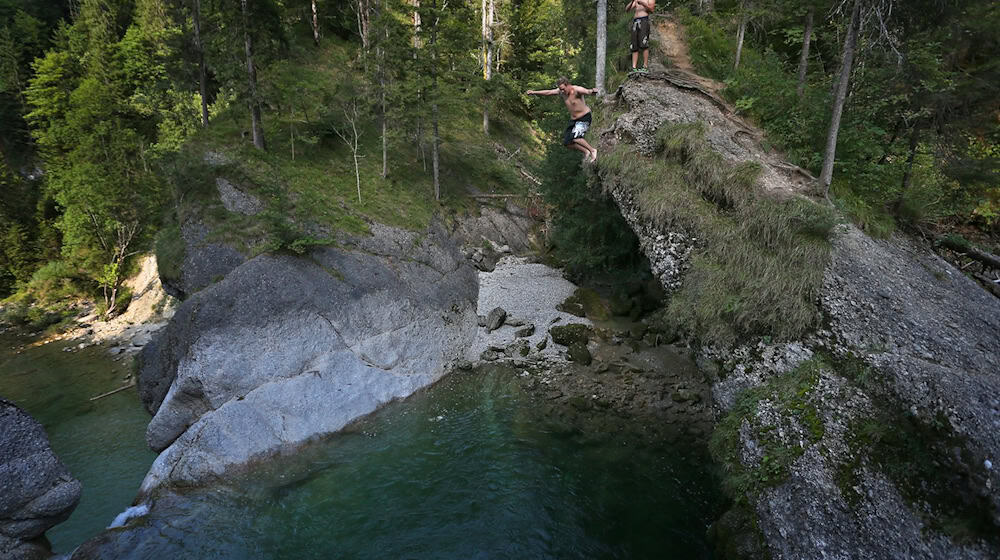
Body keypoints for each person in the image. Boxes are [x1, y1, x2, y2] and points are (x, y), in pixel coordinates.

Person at [525, 77, 599, 162]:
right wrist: (534, 92)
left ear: (568, 85)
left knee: (576, 137)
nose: (562, 91)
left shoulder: (577, 90)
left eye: (563, 89)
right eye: (560, 90)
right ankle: (586, 151)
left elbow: (587, 91)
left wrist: (592, 91)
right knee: (567, 143)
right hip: (574, 120)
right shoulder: (561, 92)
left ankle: (592, 150)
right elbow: (548, 92)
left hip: (584, 117)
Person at [627, 0, 655, 73]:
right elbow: (627, 9)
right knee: (634, 45)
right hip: (635, 21)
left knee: (644, 43)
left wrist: (642, 3)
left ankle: (645, 66)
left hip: (644, 20)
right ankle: (634, 67)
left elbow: (651, 9)